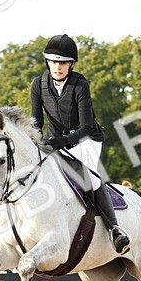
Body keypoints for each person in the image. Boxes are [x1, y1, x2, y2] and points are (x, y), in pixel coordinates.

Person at [30, 33, 130, 254]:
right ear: (47, 61)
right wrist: (34, 141)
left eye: (64, 62)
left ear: (71, 65)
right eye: (54, 61)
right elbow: (36, 121)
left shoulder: (80, 84)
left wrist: (63, 141)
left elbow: (85, 127)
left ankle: (115, 229)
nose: (58, 66)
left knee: (89, 178)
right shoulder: (38, 84)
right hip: (55, 140)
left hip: (86, 139)